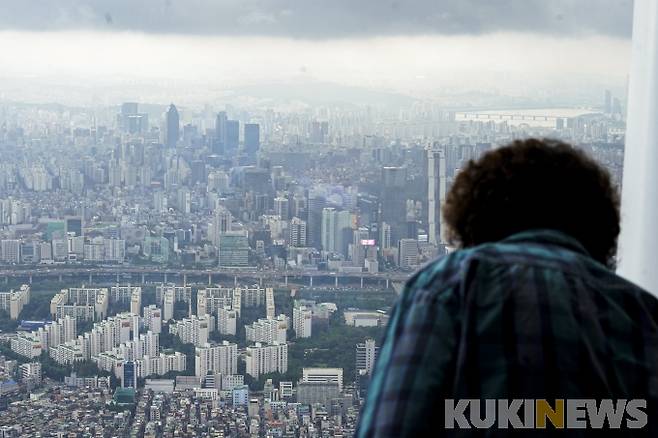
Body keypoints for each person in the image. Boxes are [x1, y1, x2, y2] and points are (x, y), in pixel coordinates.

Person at [356, 138, 658, 437]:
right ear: (600, 227)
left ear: (472, 221)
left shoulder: (448, 287)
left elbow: (391, 427)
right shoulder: (643, 313)